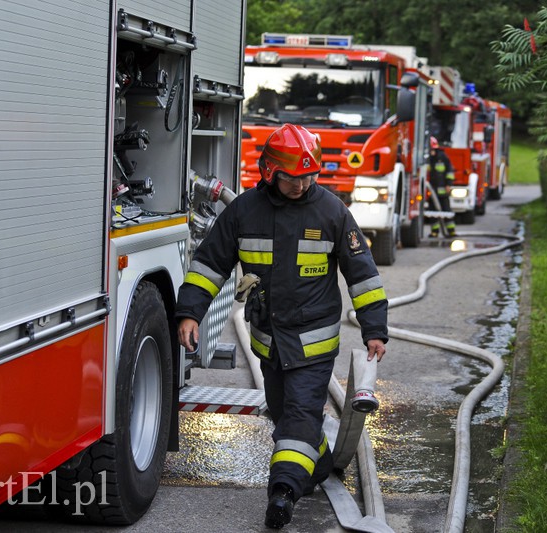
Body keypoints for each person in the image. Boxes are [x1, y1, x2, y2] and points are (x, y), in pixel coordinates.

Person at [175, 124, 389, 529]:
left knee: (298, 414)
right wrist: (190, 311)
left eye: (310, 176)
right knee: (283, 412)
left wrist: (374, 327)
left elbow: (362, 274)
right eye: (294, 176)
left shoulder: (331, 212)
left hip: (313, 346)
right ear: (271, 170)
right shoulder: (244, 211)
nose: (302, 184)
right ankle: (320, 461)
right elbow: (209, 264)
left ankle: (284, 491)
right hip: (269, 344)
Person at [427, 136, 456, 238]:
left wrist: (449, 184)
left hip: (443, 191)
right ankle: (435, 232)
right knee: (433, 213)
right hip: (432, 192)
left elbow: (449, 171)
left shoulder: (443, 157)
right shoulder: (428, 159)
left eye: (432, 149)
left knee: (446, 211)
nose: (431, 151)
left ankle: (451, 231)